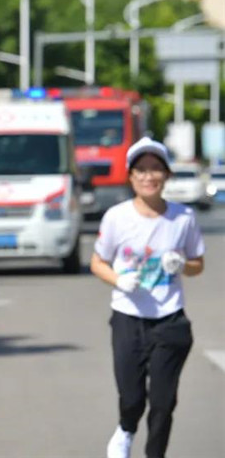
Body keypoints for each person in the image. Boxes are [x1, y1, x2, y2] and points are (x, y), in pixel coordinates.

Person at [90, 137, 205, 458]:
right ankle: (126, 429)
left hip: (170, 320)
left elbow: (198, 264)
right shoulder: (116, 217)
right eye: (141, 169)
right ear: (130, 176)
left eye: (156, 169)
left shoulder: (183, 218)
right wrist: (119, 279)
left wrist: (182, 264)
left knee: (163, 404)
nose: (148, 176)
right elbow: (97, 262)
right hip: (128, 317)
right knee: (132, 398)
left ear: (166, 175)